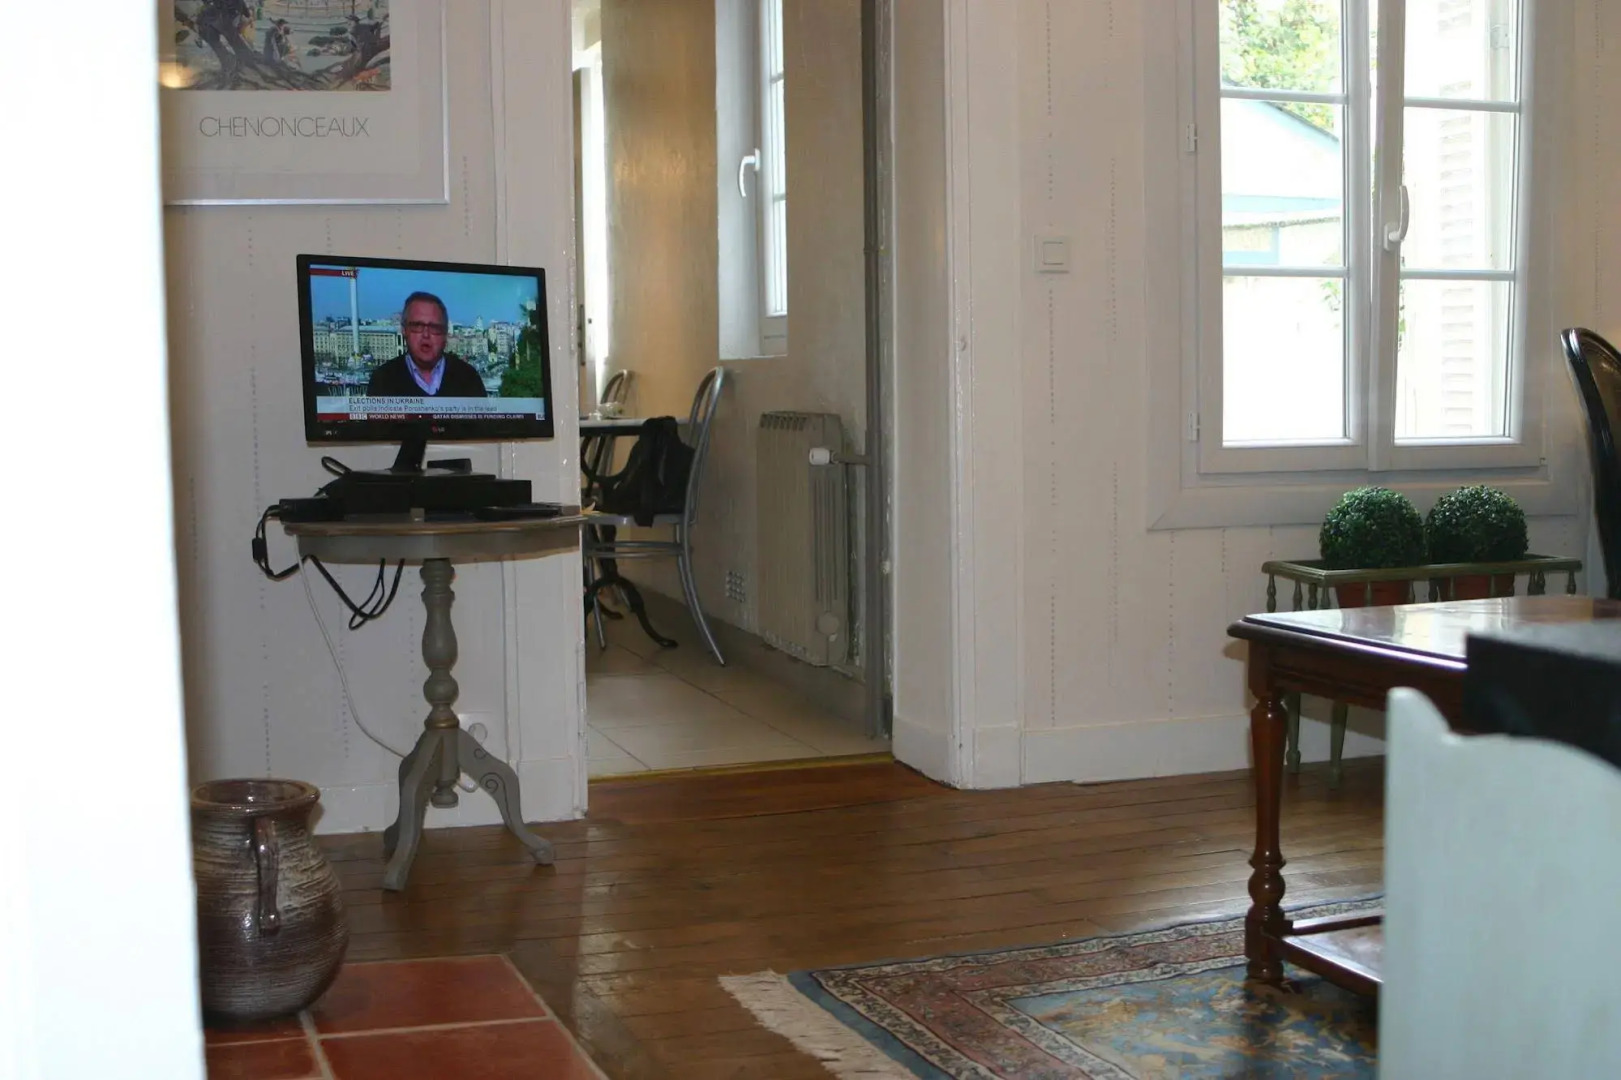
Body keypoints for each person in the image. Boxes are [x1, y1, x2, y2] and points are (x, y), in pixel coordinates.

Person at [365, 292, 489, 398]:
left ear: (445, 333)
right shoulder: (382, 380)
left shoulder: (469, 377)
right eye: (417, 326)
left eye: (434, 327)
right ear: (404, 330)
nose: (426, 334)